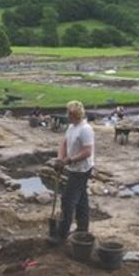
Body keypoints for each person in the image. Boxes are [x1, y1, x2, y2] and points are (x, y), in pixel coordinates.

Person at [52, 101, 95, 244]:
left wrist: (69, 160)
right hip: (73, 168)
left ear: (75, 115)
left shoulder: (85, 129)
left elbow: (87, 151)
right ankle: (83, 229)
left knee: (67, 200)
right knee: (81, 198)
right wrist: (60, 158)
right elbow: (64, 143)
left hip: (81, 170)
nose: (66, 116)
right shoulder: (71, 127)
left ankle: (61, 234)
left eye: (68, 113)